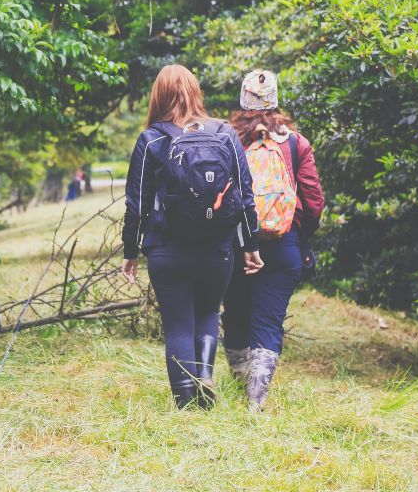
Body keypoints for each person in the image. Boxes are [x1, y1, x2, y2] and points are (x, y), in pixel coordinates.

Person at [121, 64, 265, 409]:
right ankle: (204, 376)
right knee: (207, 313)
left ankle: (187, 403)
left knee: (177, 325)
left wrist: (130, 250)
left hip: (167, 249)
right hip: (217, 249)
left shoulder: (151, 139)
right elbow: (245, 195)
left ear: (158, 96)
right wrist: (251, 245)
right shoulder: (224, 133)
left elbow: (136, 204)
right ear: (195, 91)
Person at [221, 69, 324, 411]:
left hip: (236, 244)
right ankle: (256, 400)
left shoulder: (228, 139)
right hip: (283, 245)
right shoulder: (295, 143)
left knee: (235, 313)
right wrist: (299, 235)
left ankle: (239, 383)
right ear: (276, 99)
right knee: (268, 321)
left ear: (242, 99)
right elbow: (313, 201)